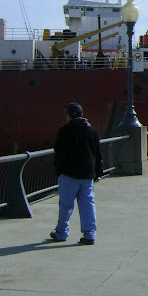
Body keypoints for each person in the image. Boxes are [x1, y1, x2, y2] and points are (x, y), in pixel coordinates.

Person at [50, 102, 104, 245]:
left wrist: (59, 171)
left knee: (66, 206)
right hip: (87, 175)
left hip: (69, 174)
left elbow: (59, 153)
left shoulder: (64, 131)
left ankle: (61, 233)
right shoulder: (92, 130)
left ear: (69, 116)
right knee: (87, 205)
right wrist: (98, 172)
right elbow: (98, 153)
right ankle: (90, 234)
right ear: (82, 114)